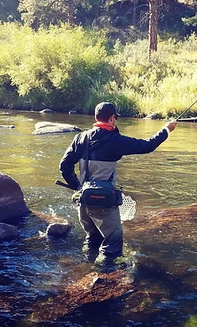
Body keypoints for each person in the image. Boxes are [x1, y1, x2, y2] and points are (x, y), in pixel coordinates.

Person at [59, 101, 177, 265]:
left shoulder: (80, 138)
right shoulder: (116, 141)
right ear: (112, 118)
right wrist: (166, 130)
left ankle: (85, 269)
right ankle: (106, 280)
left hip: (83, 202)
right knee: (112, 244)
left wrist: (77, 187)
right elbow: (147, 145)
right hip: (103, 204)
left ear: (96, 117)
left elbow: (64, 166)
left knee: (92, 239)